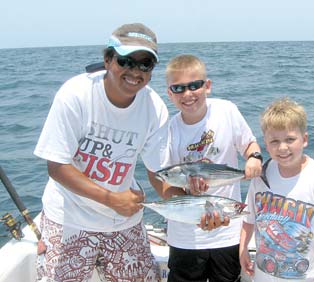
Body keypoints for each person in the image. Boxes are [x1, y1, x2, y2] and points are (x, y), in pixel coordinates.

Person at [34, 23, 168, 281]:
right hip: (67, 217)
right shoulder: (75, 94)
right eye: (126, 61)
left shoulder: (155, 107)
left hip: (124, 219)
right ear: (108, 59)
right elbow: (57, 166)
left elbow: (158, 173)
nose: (135, 71)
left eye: (145, 64)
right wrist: (111, 199)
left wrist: (193, 208)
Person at [155, 54, 262, 282]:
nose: (188, 94)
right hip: (185, 236)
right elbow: (164, 182)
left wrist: (253, 157)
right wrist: (186, 193)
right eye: (179, 88)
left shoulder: (226, 111)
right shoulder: (169, 130)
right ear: (170, 94)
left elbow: (250, 144)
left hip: (227, 233)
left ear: (208, 86)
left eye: (194, 85)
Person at [239, 97, 314, 281]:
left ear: (305, 139)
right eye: (274, 141)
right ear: (266, 143)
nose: (282, 147)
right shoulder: (261, 176)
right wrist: (243, 248)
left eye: (290, 139)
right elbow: (249, 217)